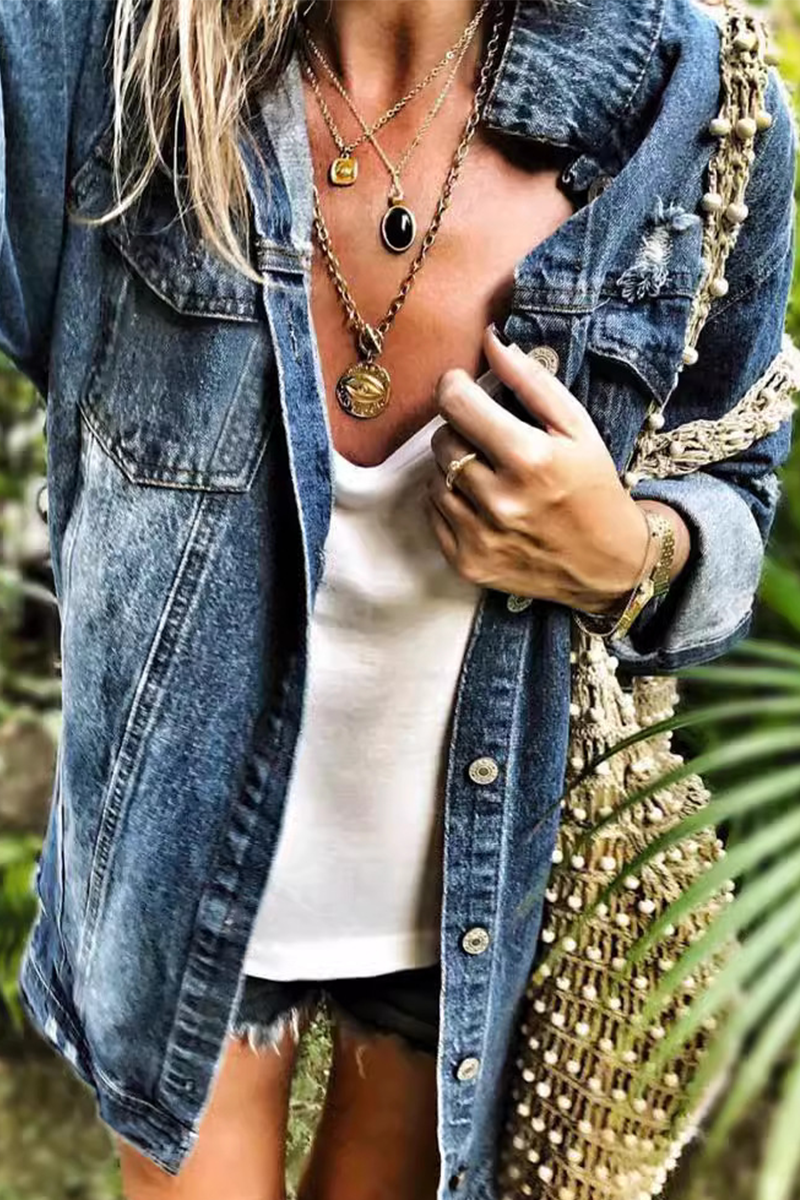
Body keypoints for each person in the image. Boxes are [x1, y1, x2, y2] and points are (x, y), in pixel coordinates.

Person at [3, 0, 796, 1196]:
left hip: (468, 905)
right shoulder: (99, 48)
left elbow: (731, 482)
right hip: (166, 881)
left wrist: (624, 553)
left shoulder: (691, 101)